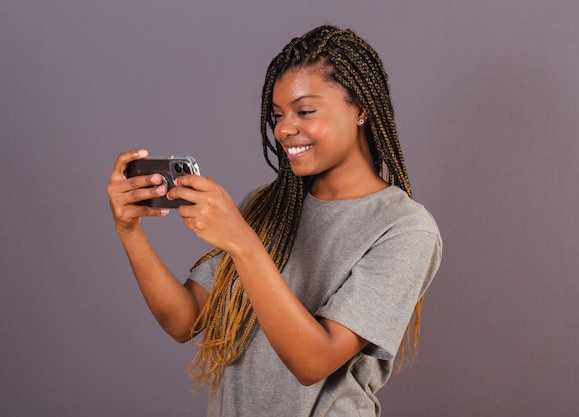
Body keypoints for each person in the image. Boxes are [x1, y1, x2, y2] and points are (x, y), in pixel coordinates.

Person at [107, 25, 442, 417]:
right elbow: (186, 320)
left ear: (361, 109)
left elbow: (314, 362)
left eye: (305, 111)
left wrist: (242, 241)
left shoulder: (404, 228)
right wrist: (128, 231)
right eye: (278, 114)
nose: (284, 129)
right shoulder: (268, 207)